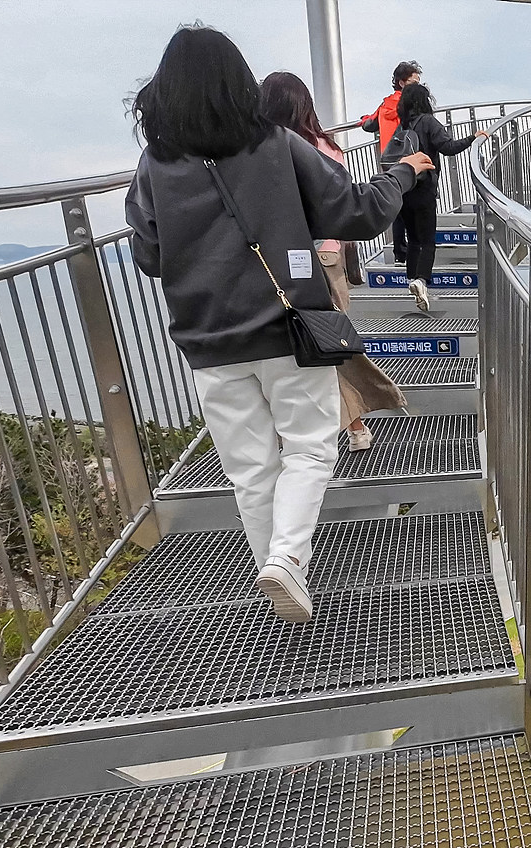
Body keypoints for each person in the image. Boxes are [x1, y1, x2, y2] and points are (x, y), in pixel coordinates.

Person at [125, 26, 434, 623]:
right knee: (310, 448)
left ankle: (282, 573)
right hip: (287, 328)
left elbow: (150, 256)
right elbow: (356, 212)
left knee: (250, 469)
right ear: (238, 82)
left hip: (209, 341)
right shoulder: (276, 144)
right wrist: (402, 173)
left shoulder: (153, 165)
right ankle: (287, 559)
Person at [259, 70, 407, 454]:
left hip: (277, 263)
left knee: (301, 348)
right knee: (328, 341)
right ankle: (352, 428)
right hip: (326, 254)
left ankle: (312, 434)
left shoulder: (258, 153)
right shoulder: (324, 147)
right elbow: (343, 204)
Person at [394, 82, 489, 311]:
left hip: (404, 188)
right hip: (424, 188)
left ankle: (411, 280)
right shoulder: (428, 122)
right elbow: (448, 147)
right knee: (428, 241)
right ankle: (421, 281)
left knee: (413, 239)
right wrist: (472, 138)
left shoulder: (402, 128)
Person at [360, 61, 422, 269]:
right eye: (414, 82)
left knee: (397, 206)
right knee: (414, 204)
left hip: (388, 160)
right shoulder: (409, 104)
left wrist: (363, 119)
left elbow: (370, 124)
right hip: (408, 158)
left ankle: (399, 254)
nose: (418, 86)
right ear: (402, 83)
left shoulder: (385, 104)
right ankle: (416, 251)